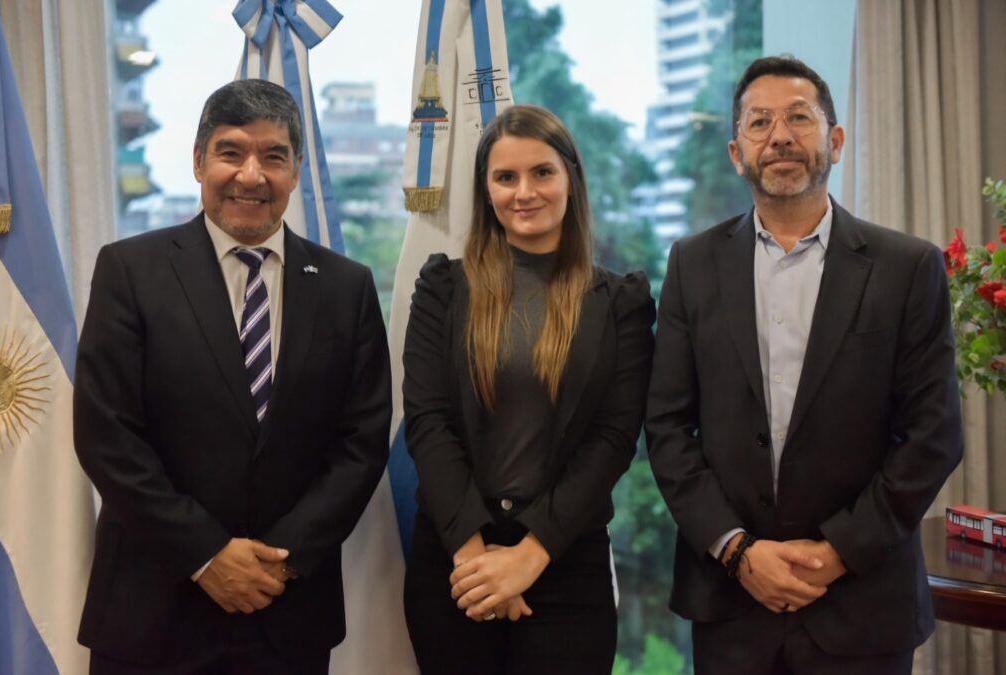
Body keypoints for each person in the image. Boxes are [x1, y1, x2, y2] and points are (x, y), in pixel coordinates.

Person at [645, 55, 963, 674]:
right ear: (737, 153)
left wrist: (836, 552)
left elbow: (933, 435)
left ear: (835, 141)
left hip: (863, 603)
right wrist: (737, 551)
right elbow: (666, 427)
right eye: (759, 122)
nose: (780, 137)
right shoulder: (692, 264)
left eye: (799, 118)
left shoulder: (907, 268)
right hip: (731, 604)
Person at [73, 79, 391, 674]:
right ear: (199, 162)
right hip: (152, 613)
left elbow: (361, 442)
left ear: (295, 171)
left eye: (273, 156)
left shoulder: (347, 287)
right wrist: (207, 555)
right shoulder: (130, 271)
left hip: (286, 614)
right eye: (231, 152)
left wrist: (280, 561)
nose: (251, 175)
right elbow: (106, 435)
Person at [401, 104, 655, 674]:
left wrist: (528, 557)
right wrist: (477, 562)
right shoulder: (443, 289)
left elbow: (613, 439)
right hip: (455, 562)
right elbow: (427, 421)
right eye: (505, 177)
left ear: (571, 178)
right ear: (486, 189)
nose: (524, 192)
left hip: (566, 564)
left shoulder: (621, 303)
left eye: (542, 172)